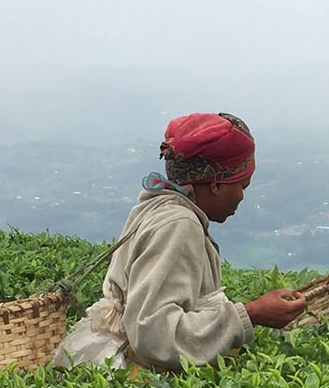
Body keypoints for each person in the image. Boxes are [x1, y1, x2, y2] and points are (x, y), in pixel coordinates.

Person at [53, 112, 305, 373]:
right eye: (242, 185)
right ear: (217, 185)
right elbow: (154, 333)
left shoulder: (158, 205)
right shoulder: (179, 224)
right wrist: (251, 314)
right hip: (134, 378)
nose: (242, 196)